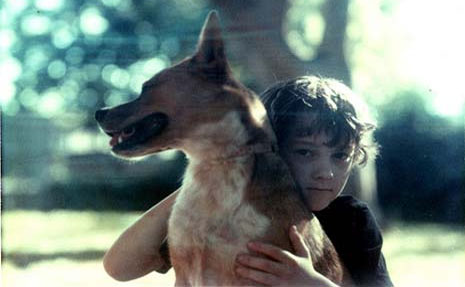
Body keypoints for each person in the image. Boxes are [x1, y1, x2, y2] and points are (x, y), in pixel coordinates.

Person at [103, 75, 393, 287]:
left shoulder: (351, 220)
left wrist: (311, 284)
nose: (325, 172)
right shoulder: (218, 215)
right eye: (305, 152)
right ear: (267, 150)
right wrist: (204, 180)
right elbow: (120, 268)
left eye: (341, 156)